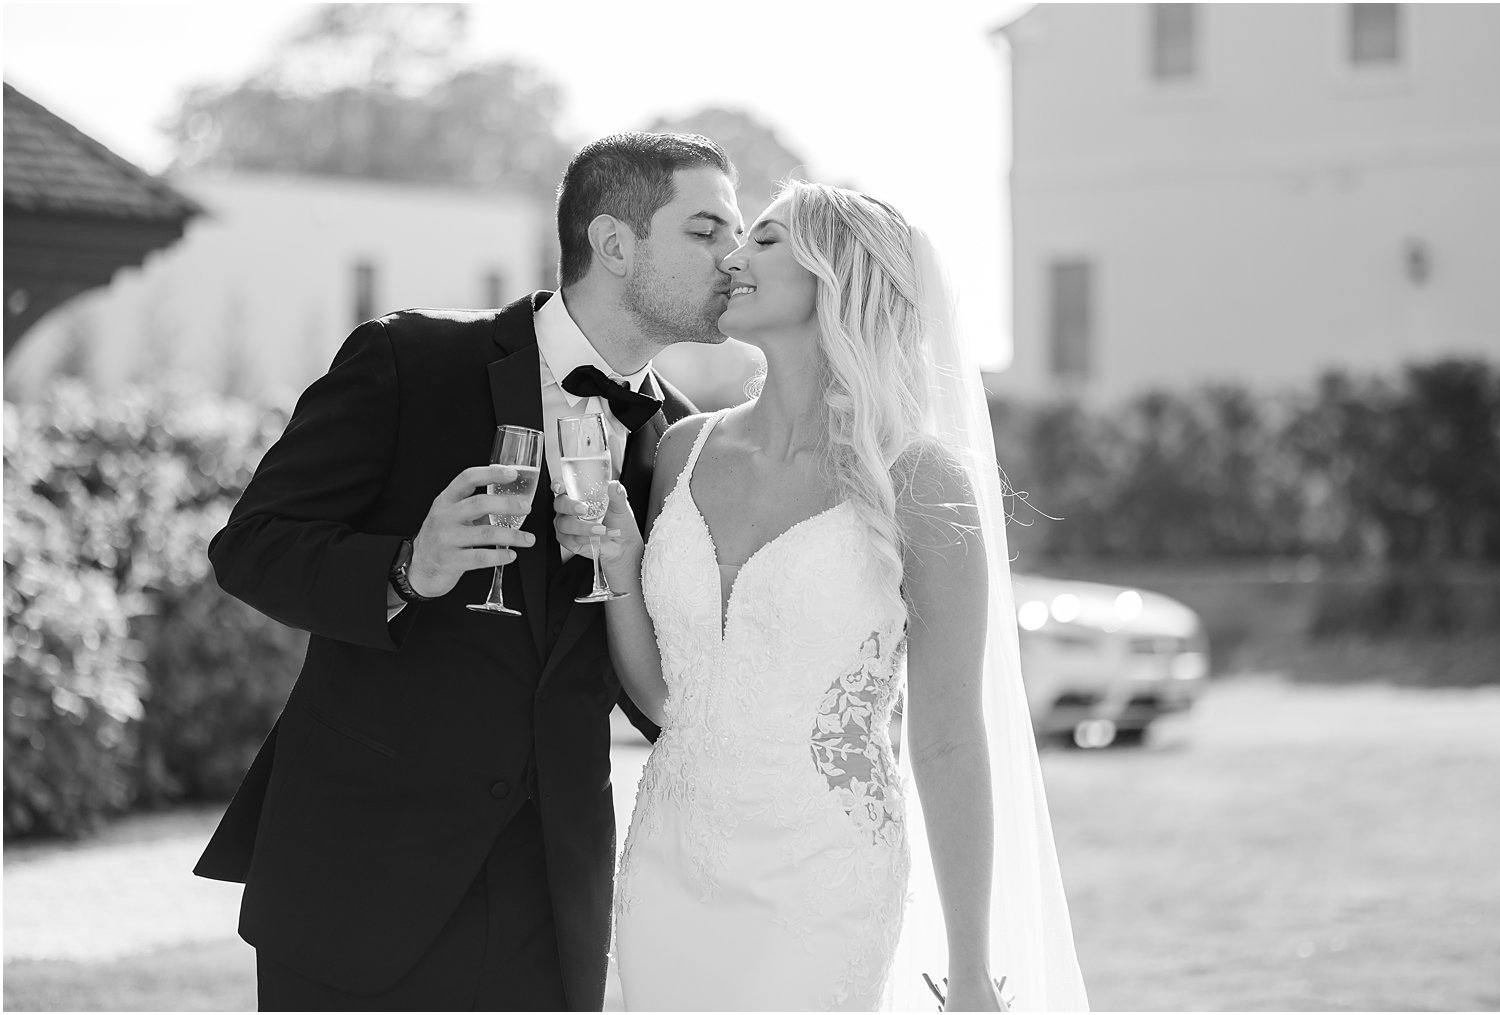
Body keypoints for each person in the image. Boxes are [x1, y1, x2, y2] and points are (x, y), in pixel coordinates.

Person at [193, 131, 743, 1010]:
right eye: (706, 229)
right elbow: (251, 546)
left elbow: (655, 693)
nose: (734, 255)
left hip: (549, 897)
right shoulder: (409, 359)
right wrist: (410, 564)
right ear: (613, 243)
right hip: (361, 873)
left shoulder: (683, 444)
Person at [553, 182, 1089, 1011]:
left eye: (764, 241)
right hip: (666, 861)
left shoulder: (915, 481)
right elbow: (666, 694)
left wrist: (973, 964)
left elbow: (947, 738)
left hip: (821, 876)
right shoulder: (683, 450)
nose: (733, 258)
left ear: (837, 275)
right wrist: (621, 566)